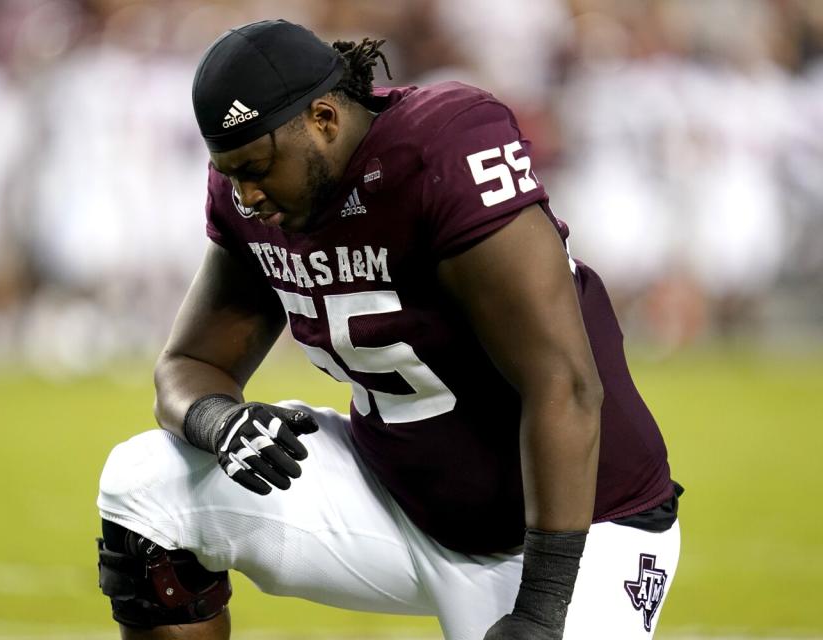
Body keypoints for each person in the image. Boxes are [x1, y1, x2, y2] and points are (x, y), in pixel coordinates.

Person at [96, 19, 682, 640]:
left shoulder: (441, 150)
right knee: (146, 486)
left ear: (323, 118)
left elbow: (563, 382)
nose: (247, 194)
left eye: (259, 166)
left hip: (583, 527)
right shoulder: (255, 196)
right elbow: (187, 364)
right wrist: (221, 423)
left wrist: (540, 612)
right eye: (231, 173)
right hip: (401, 501)